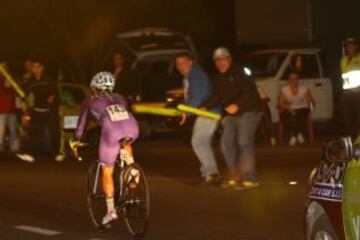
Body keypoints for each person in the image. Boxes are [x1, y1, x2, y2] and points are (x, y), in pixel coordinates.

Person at [71, 72, 139, 225]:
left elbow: (81, 127)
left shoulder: (90, 101)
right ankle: (131, 168)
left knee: (107, 171)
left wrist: (75, 139)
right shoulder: (121, 97)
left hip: (111, 132)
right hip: (133, 128)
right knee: (125, 141)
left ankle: (110, 211)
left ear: (94, 87)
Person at [203, 47, 264, 190]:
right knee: (226, 143)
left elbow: (250, 93)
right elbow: (216, 97)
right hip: (233, 114)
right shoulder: (219, 78)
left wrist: (238, 105)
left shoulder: (241, 72)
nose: (220, 63)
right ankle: (235, 176)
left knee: (243, 141)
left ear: (229, 59)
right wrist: (204, 107)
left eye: (223, 59)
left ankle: (250, 177)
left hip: (250, 111)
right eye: (217, 60)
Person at [175, 52, 221, 185]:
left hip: (208, 112)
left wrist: (187, 111)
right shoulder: (190, 76)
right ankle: (209, 173)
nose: (180, 66)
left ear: (190, 63)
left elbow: (199, 95)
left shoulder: (196, 75)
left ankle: (211, 173)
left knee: (198, 142)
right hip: (207, 112)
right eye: (178, 64)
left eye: (183, 63)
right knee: (204, 143)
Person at [16, 59, 62, 162]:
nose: (36, 69)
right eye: (34, 67)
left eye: (38, 67)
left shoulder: (48, 79)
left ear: (42, 68)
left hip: (50, 110)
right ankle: (30, 154)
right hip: (37, 110)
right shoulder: (31, 81)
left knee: (53, 132)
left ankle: (57, 153)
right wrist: (23, 100)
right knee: (33, 132)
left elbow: (55, 92)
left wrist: (52, 97)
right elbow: (25, 92)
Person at [278, 72, 315, 146]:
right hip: (289, 108)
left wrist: (311, 107)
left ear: (298, 80)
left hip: (302, 107)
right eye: (291, 78)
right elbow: (280, 103)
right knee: (284, 116)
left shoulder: (303, 89)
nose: (293, 80)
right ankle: (298, 134)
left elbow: (310, 103)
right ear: (288, 80)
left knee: (300, 116)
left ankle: (293, 136)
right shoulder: (284, 89)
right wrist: (289, 109)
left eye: (295, 78)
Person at [340, 38, 360, 137]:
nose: (349, 47)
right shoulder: (343, 60)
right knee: (348, 118)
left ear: (356, 47)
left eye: (351, 45)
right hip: (347, 93)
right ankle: (353, 139)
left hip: (358, 93)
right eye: (347, 46)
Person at [0, 61, 19, 153]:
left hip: (11, 109)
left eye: (4, 66)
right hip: (1, 109)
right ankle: (0, 147)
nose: (3, 68)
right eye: (1, 66)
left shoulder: (11, 79)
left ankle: (15, 147)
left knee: (13, 129)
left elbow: (16, 91)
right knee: (1, 130)